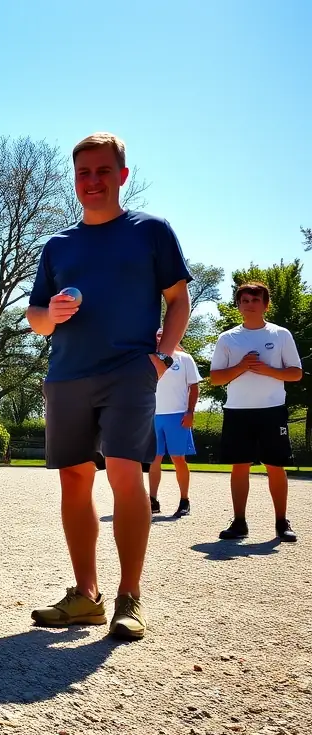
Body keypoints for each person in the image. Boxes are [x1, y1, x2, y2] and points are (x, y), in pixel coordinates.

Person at [26, 132, 192, 641]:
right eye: (83, 173)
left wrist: (162, 357)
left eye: (102, 171)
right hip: (68, 373)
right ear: (74, 180)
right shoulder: (58, 246)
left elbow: (179, 300)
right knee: (74, 481)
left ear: (122, 175)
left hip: (128, 370)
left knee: (125, 474)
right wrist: (48, 315)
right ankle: (85, 596)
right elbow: (35, 318)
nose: (92, 181)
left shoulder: (151, 231)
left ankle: (130, 597)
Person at [209, 282, 302, 543]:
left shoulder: (280, 334)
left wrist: (266, 369)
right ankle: (239, 522)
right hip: (238, 410)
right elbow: (215, 379)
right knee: (240, 466)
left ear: (266, 304)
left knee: (275, 465)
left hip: (272, 410)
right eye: (244, 300)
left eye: (255, 299)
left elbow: (295, 373)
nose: (250, 304)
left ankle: (282, 522)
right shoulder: (227, 338)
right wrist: (241, 367)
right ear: (238, 305)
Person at [148, 329, 201, 518]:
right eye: (156, 335)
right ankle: (152, 500)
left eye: (162, 335)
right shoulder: (148, 358)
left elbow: (194, 387)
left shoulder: (184, 358)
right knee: (155, 459)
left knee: (178, 458)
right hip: (153, 416)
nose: (159, 338)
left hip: (177, 415)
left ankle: (184, 500)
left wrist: (190, 412)